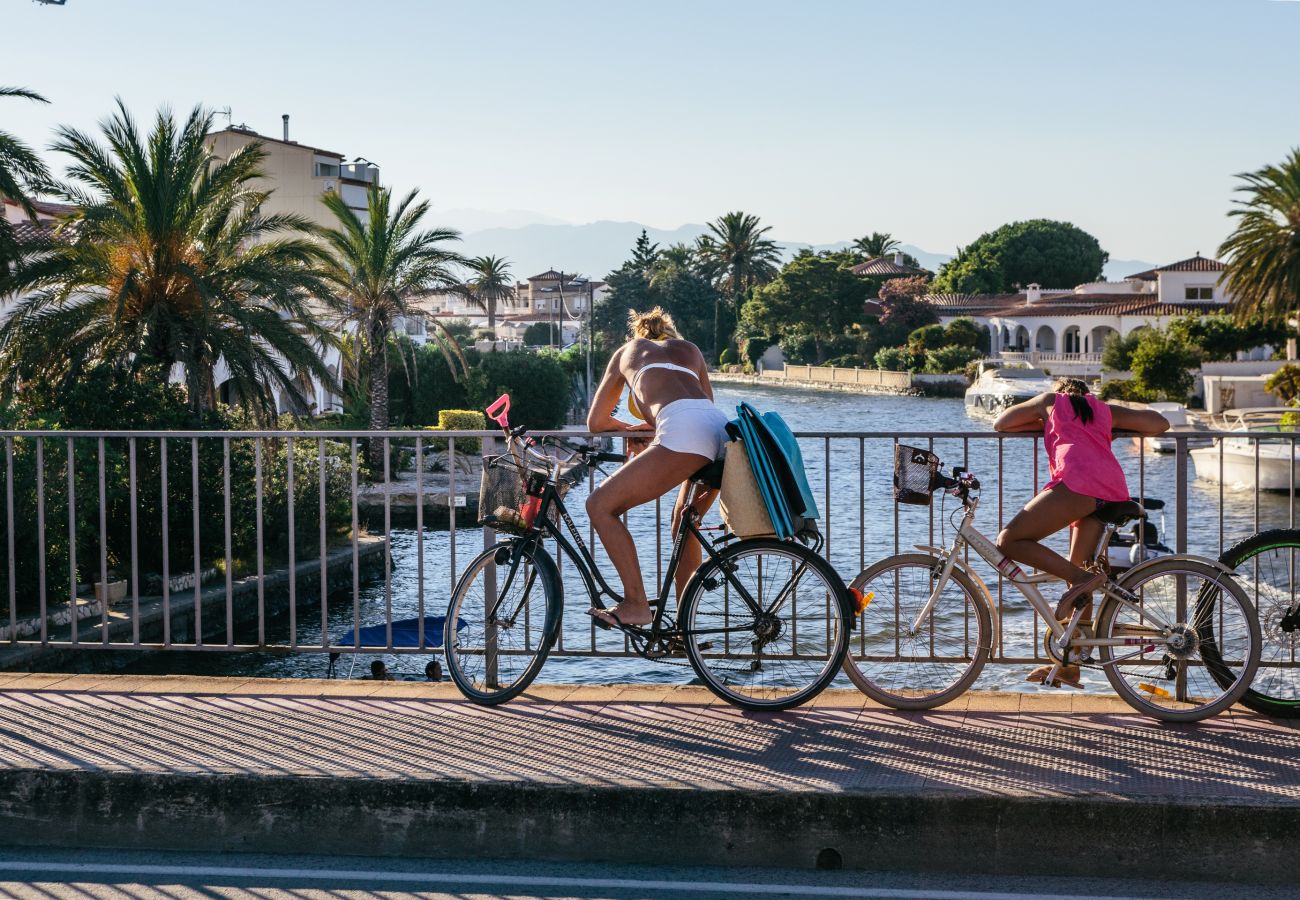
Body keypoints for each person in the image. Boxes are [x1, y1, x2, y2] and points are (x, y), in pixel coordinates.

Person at [993, 378, 1169, 687]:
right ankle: (1070, 666)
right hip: (1111, 489)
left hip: (1077, 483)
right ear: (1088, 395)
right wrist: (1109, 422)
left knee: (1009, 540)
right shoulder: (1103, 409)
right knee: (1080, 567)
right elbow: (1160, 423)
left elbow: (1001, 423)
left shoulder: (1051, 400)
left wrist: (1041, 414)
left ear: (1060, 391)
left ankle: (1082, 580)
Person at [584, 307, 730, 628]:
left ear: (638, 334)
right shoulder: (689, 350)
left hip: (684, 433)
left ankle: (636, 603)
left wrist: (632, 429)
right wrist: (655, 430)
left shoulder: (627, 352)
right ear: (670, 333)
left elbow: (596, 421)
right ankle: (684, 627)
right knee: (684, 522)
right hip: (722, 431)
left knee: (599, 506)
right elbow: (702, 403)